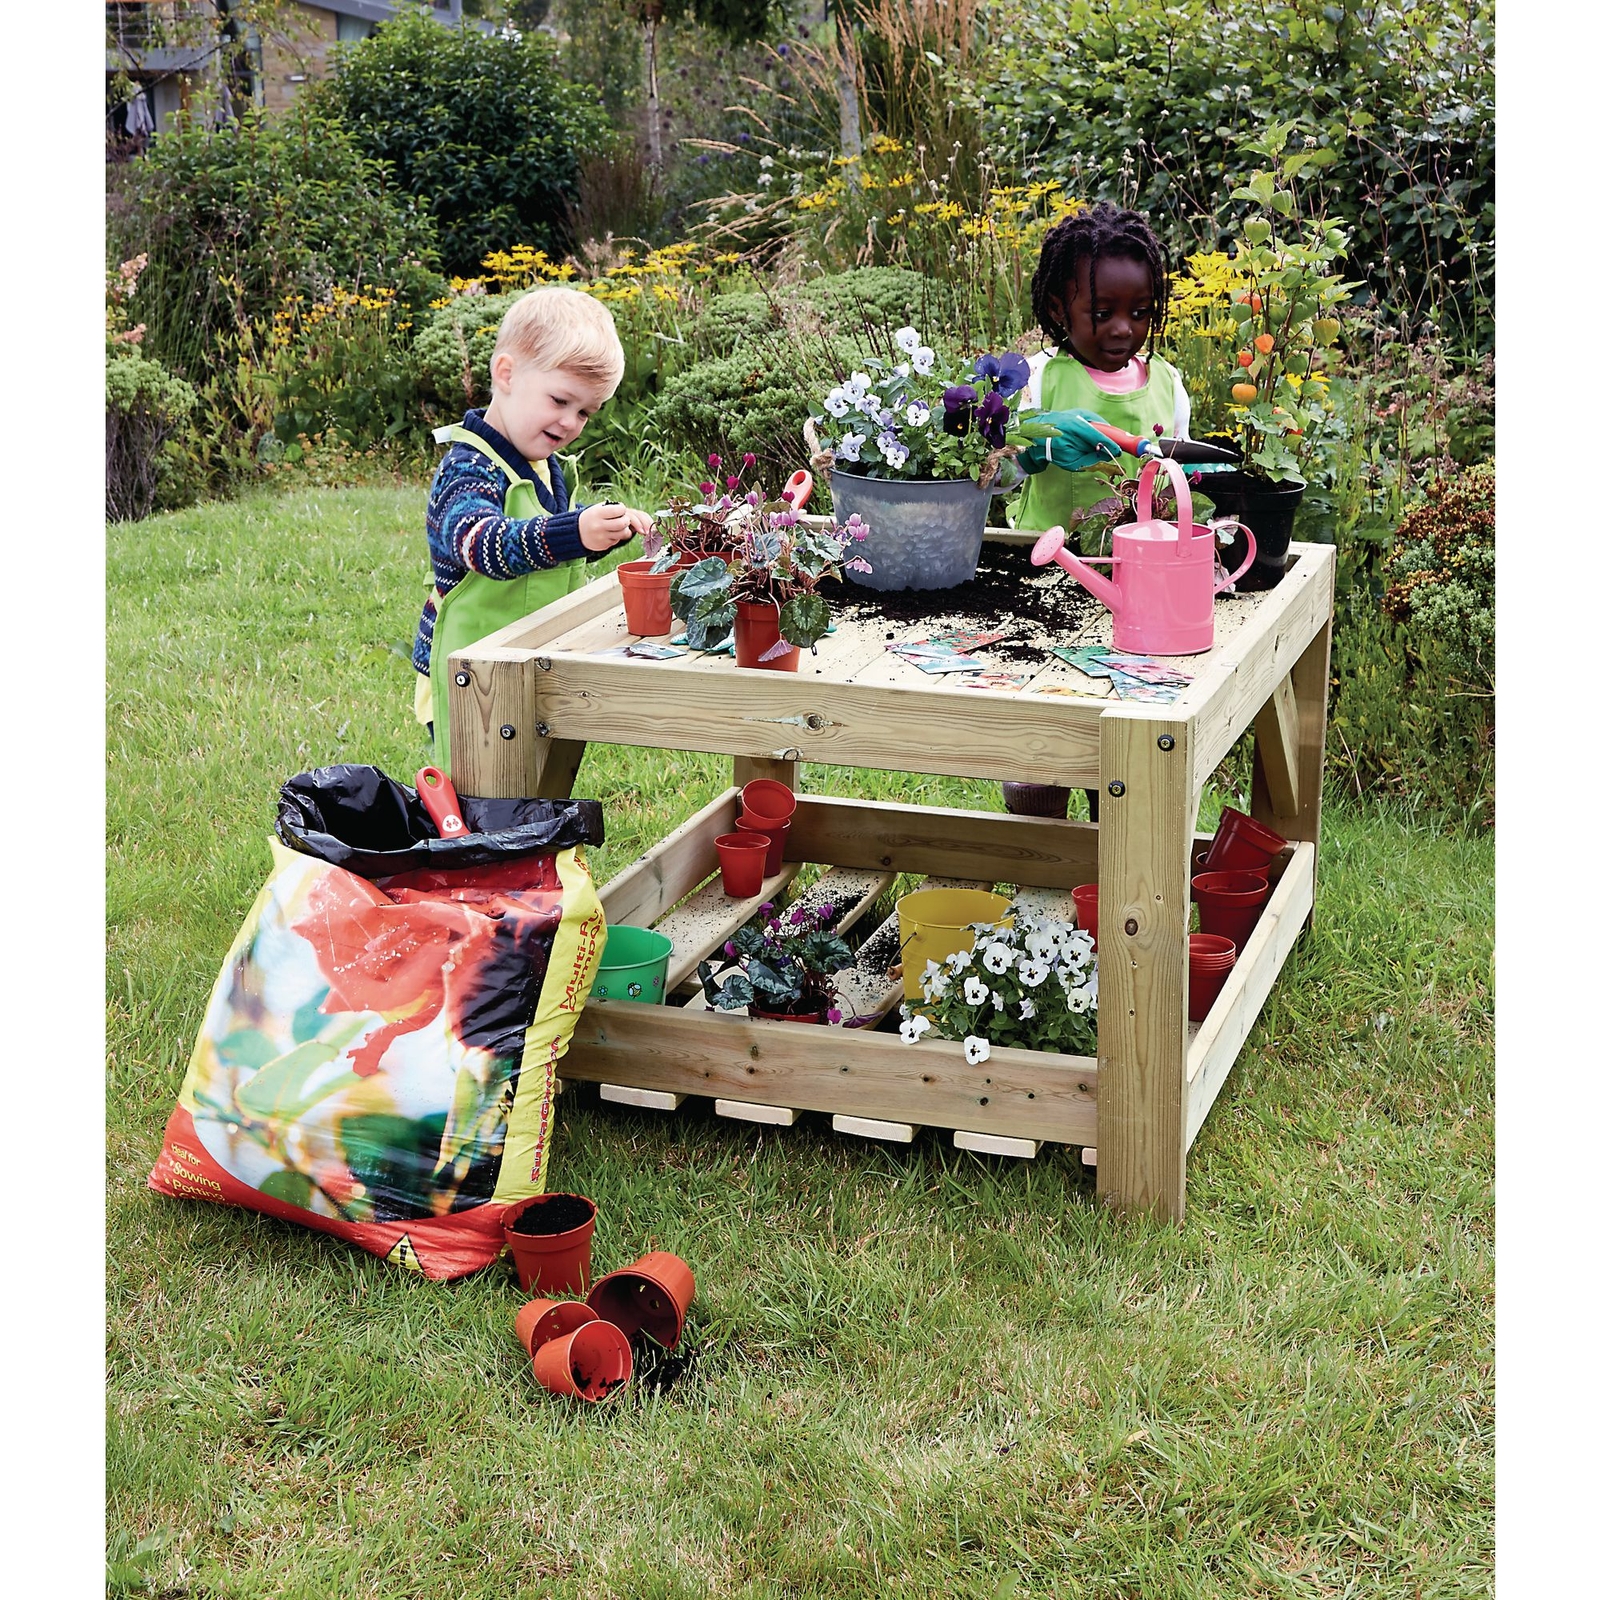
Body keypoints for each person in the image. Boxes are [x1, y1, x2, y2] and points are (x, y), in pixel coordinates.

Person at [1006, 203, 1195, 822]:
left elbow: (1183, 476)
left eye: (1139, 313)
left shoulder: (1166, 383)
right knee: (1041, 740)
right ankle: (1038, 854)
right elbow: (1000, 463)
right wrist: (1038, 443)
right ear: (1060, 311)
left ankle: (1113, 863)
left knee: (1122, 751)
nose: (1123, 329)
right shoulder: (1040, 381)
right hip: (1044, 584)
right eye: (1102, 313)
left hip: (1138, 597)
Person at [412, 286, 653, 766]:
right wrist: (573, 533)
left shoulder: (542, 464)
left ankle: (535, 842)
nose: (570, 422)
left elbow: (541, 537)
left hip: (529, 654)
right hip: (469, 670)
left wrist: (600, 532)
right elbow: (483, 544)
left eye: (585, 411)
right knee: (482, 794)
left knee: (533, 782)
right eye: (560, 400)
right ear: (506, 374)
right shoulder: (467, 468)